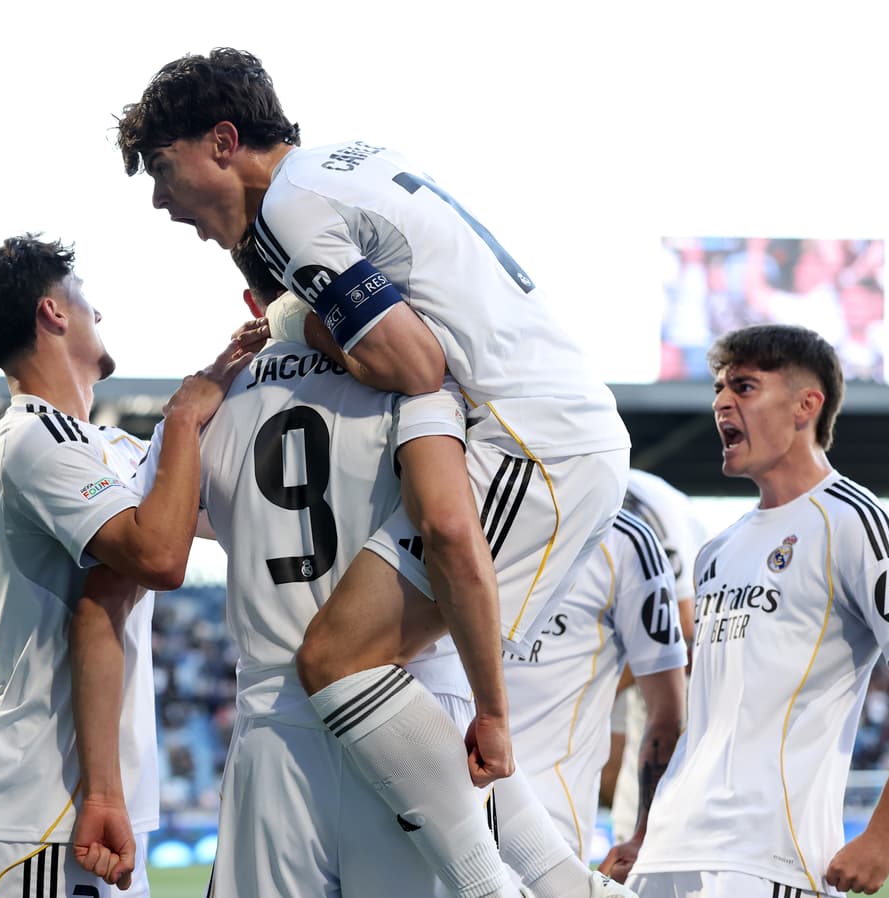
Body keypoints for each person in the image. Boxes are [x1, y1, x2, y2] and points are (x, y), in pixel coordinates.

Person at [117, 49, 632, 898]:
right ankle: (569, 885)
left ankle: (500, 889)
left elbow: (414, 361)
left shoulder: (285, 209)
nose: (160, 201)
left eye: (164, 171)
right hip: (548, 425)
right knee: (397, 685)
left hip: (529, 442)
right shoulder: (347, 163)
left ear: (222, 141)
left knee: (339, 657)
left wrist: (299, 326)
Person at [0, 234, 245, 898]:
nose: (97, 314)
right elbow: (160, 554)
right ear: (53, 312)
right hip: (44, 802)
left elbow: (217, 518)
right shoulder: (33, 437)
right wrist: (187, 419)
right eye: (86, 301)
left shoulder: (100, 445)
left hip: (90, 796)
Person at [628, 324, 889, 898]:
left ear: (806, 406)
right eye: (718, 389)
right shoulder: (716, 551)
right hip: (668, 853)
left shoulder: (853, 521)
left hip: (770, 862)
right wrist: (642, 835)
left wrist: (882, 835)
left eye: (744, 386)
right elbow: (706, 717)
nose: (719, 404)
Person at [504, 508, 686, 868]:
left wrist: (644, 835)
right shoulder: (464, 512)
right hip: (439, 822)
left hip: (548, 836)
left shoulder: (628, 541)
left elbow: (667, 712)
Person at [602, 471, 704, 867]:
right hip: (633, 658)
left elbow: (683, 621)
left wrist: (602, 685)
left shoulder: (642, 503)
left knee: (662, 834)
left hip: (690, 669)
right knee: (629, 815)